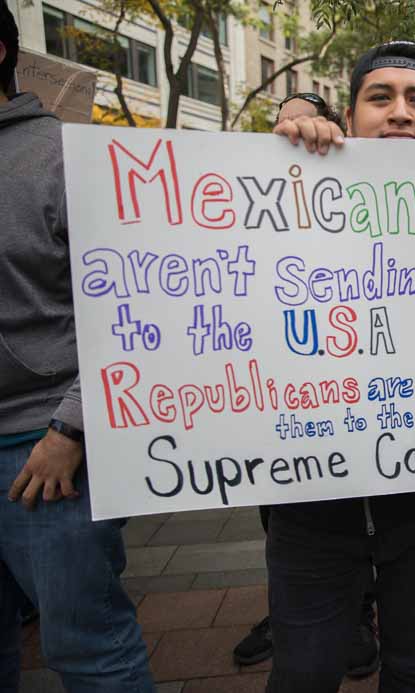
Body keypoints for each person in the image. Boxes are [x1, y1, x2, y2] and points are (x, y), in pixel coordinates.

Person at [266, 40, 415, 693]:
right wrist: (284, 143)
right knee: (302, 674)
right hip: (311, 507)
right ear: (349, 118)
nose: (400, 111)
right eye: (381, 97)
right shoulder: (290, 195)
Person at [0, 5, 155, 691]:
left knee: (88, 649)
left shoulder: (68, 156)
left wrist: (73, 425)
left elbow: (135, 305)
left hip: (45, 454)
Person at [231, 90, 379, 677]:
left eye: (306, 120)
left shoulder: (363, 193)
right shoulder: (253, 203)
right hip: (285, 421)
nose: (292, 129)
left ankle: (360, 612)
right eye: (281, 122)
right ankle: (290, 614)